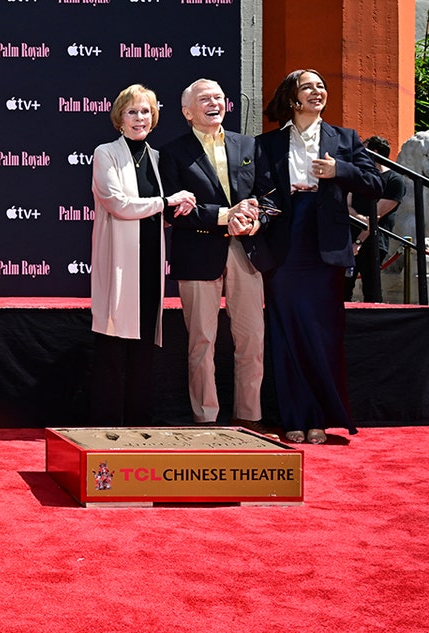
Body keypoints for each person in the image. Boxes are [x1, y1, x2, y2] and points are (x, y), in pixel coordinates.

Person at [247, 69, 383, 444]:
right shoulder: (267, 144)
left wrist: (339, 170)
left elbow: (375, 183)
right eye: (308, 86)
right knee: (287, 332)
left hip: (325, 246)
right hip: (285, 243)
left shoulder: (344, 138)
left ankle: (320, 418)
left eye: (321, 86)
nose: (318, 91)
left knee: (322, 335)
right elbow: (261, 191)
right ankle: (294, 416)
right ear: (292, 97)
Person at [158, 79, 266, 430]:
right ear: (188, 112)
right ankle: (206, 418)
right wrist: (225, 215)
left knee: (252, 338)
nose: (214, 103)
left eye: (218, 97)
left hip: (245, 252)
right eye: (204, 99)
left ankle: (250, 416)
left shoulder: (248, 144)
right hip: (197, 254)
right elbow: (175, 211)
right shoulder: (172, 153)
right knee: (201, 342)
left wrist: (255, 221)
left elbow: (270, 195)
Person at [89, 85, 195, 426]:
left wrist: (179, 207)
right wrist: (166, 202)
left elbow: (159, 212)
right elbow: (117, 203)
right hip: (120, 262)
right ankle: (106, 425)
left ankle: (138, 424)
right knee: (113, 348)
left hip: (150, 262)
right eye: (133, 111)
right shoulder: (105, 153)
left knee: (144, 350)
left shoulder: (158, 158)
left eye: (146, 111)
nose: (140, 118)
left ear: (155, 117)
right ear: (119, 118)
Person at [343, 135, 405, 302]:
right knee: (342, 288)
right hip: (347, 239)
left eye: (363, 150)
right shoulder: (360, 177)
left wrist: (358, 243)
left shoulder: (394, 180)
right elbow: (347, 204)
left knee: (371, 289)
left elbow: (376, 216)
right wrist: (359, 218)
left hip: (373, 242)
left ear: (374, 153)